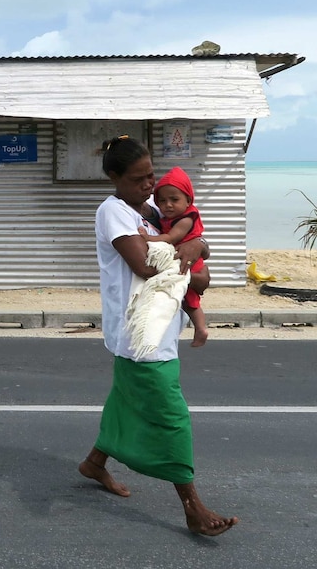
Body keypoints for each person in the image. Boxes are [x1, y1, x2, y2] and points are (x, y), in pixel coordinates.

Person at [78, 135, 238, 537]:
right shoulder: (113, 212)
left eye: (151, 175)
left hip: (161, 326)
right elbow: (148, 266)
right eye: (139, 179)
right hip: (140, 335)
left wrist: (198, 244)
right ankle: (192, 505)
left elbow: (196, 247)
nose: (150, 185)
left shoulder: (150, 211)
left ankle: (95, 463)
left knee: (125, 401)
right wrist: (194, 263)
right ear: (115, 177)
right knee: (170, 417)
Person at [138, 166, 209, 347]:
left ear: (188, 201)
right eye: (162, 201)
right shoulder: (172, 215)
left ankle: (201, 328)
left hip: (190, 261)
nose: (167, 205)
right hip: (184, 258)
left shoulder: (185, 219)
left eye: (174, 200)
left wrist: (148, 238)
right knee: (184, 297)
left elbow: (172, 237)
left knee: (190, 299)